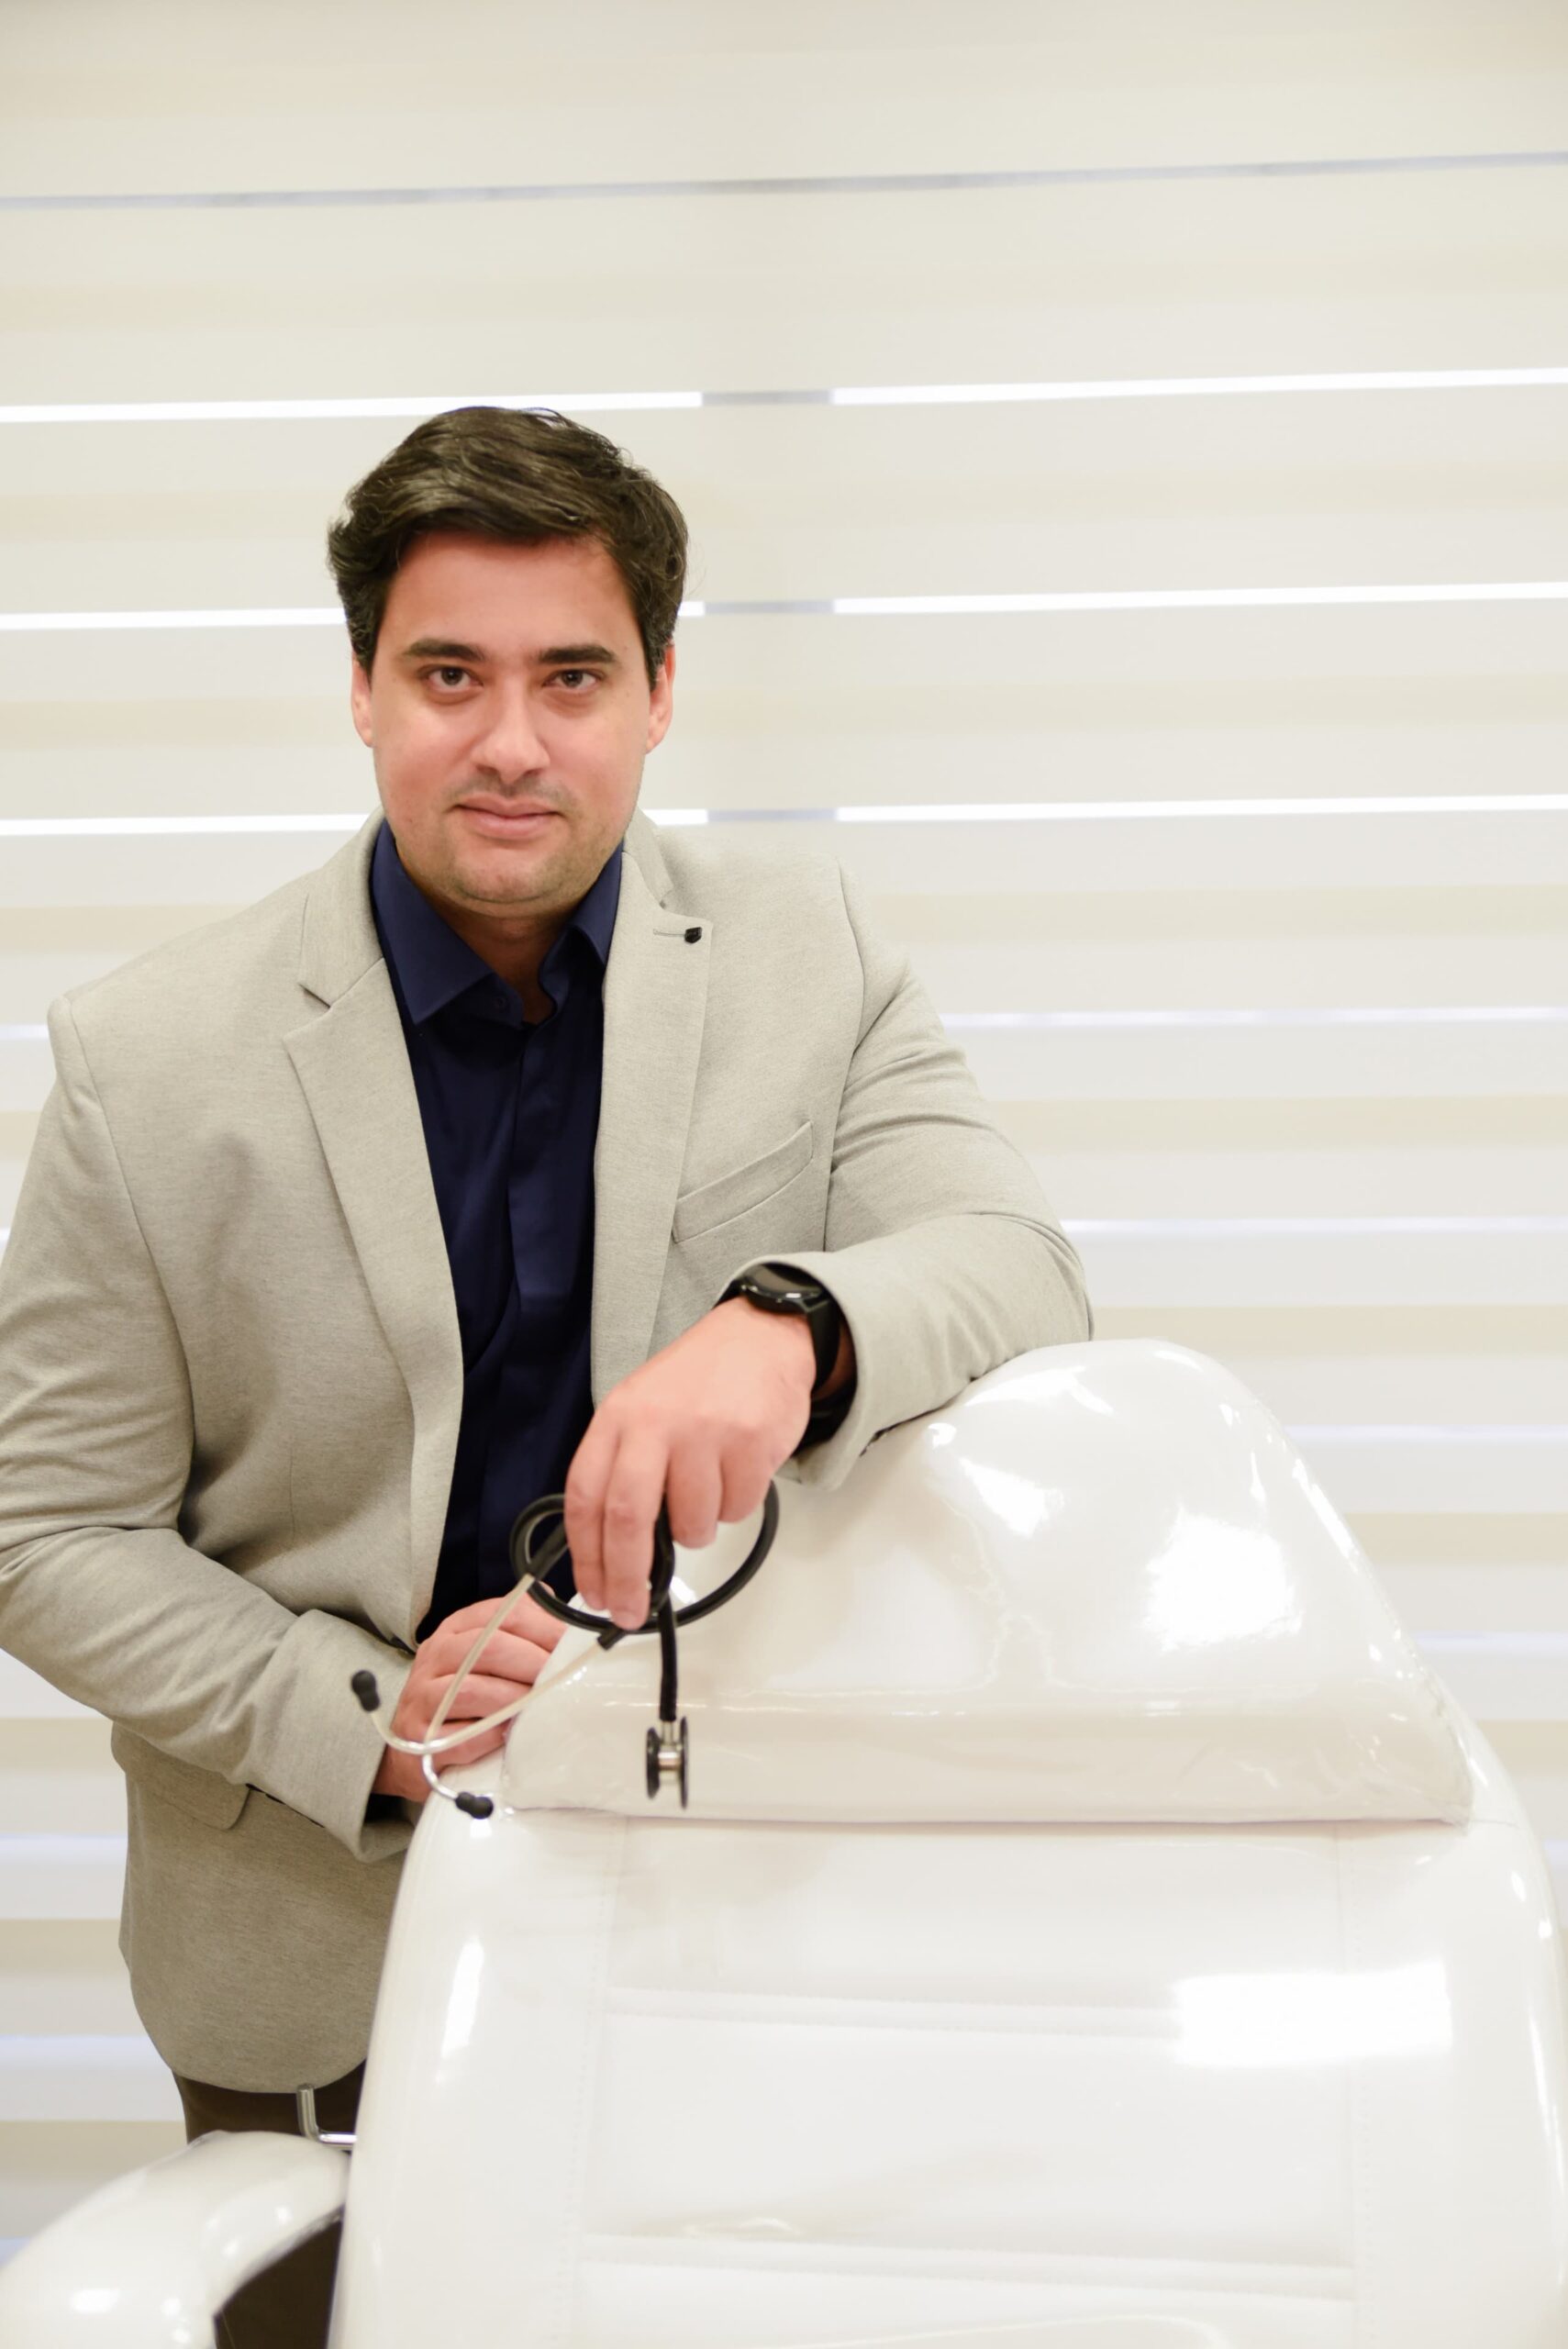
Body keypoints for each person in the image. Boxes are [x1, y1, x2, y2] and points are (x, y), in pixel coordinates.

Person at [0, 405, 1091, 2343]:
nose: (510, 739)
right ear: (362, 689)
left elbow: (1016, 1269)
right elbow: (42, 1524)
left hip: (746, 1922)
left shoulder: (817, 958)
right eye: (450, 674)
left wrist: (791, 1321)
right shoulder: (143, 1061)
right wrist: (365, 1719)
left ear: (660, 692)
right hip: (317, 1950)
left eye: (571, 676)